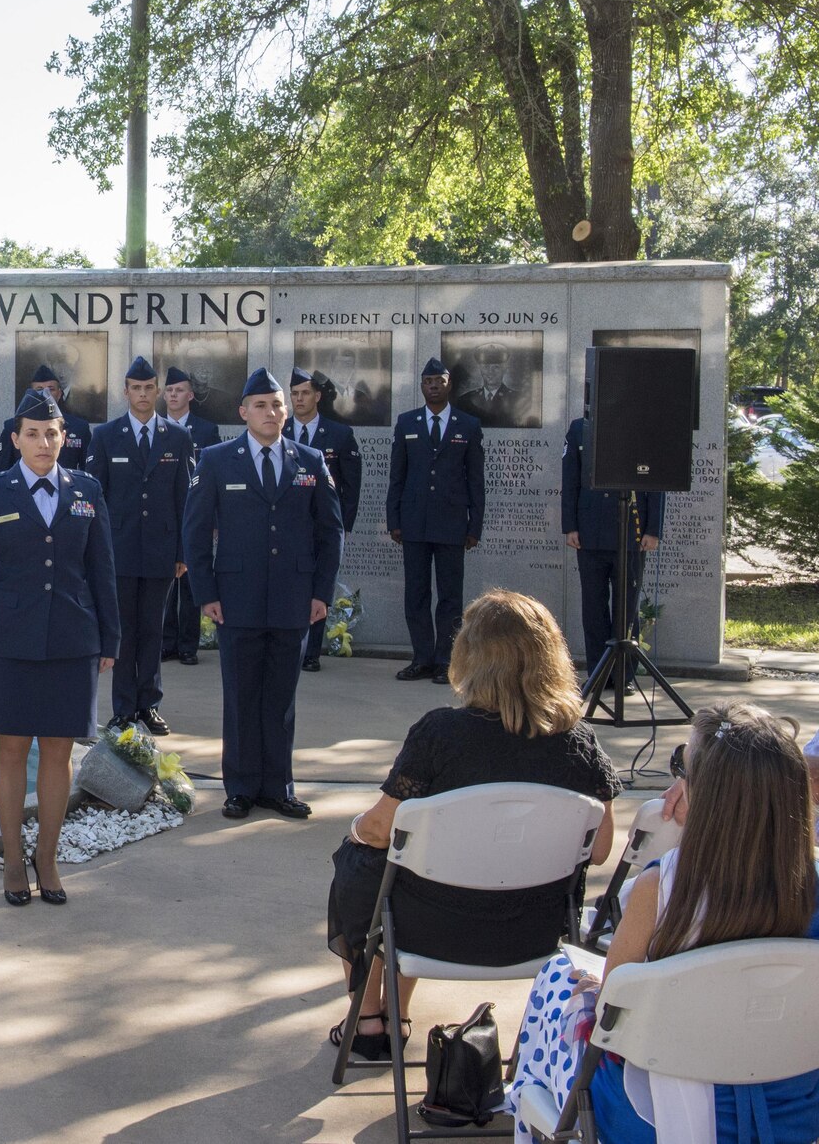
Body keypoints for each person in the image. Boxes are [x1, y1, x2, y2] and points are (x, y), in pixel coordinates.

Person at [324, 589, 619, 1061]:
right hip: (537, 929)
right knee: (397, 867)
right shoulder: (578, 745)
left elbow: (382, 829)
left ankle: (371, 1019)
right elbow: (600, 848)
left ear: (469, 656)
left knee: (363, 859)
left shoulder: (440, 733)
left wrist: (357, 830)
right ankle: (391, 1014)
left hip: (431, 928)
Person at [508, 702, 818, 1142]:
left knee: (559, 977)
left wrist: (597, 991)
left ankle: (525, 1107)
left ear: (702, 796)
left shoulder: (662, 888)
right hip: (793, 1113)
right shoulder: (811, 887)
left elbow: (611, 1022)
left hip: (657, 1118)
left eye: (683, 769)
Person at [0, 389, 119, 908]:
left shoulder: (87, 489)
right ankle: (11, 859)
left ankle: (46, 858)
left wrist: (109, 638)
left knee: (58, 751)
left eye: (52, 434)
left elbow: (103, 571)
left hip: (72, 638)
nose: (43, 442)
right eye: (33, 434)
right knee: (10, 750)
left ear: (64, 438)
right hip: (8, 639)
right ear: (16, 439)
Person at [182, 367, 343, 820]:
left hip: (294, 599)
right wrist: (205, 592)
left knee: (281, 699)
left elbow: (330, 532)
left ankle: (278, 785)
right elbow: (194, 533)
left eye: (276, 405)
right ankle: (240, 787)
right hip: (235, 598)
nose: (270, 412)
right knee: (239, 695)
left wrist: (322, 593)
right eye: (260, 405)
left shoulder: (310, 461)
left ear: (287, 411)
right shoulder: (216, 459)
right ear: (243, 412)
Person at [89, 356, 192, 736]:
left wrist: (183, 552)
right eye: (137, 388)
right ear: (126, 391)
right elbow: (96, 499)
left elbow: (185, 497)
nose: (144, 394)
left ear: (159, 392)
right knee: (123, 631)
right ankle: (123, 708)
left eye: (150, 388)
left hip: (162, 551)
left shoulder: (177, 438)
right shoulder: (106, 436)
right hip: (119, 549)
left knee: (153, 628)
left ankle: (149, 704)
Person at [386, 357, 485, 684]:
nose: (433, 386)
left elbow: (476, 481)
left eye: (439, 381)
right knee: (416, 594)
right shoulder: (407, 422)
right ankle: (422, 658)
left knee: (450, 597)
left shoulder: (468, 425)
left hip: (452, 523)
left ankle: (446, 661)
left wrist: (474, 526)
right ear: (422, 386)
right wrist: (394, 519)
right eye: (428, 381)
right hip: (413, 523)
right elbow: (396, 476)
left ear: (448, 385)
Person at [561, 414, 663, 678]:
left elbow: (654, 482)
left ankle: (624, 674)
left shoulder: (641, 426)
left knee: (626, 607)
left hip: (630, 532)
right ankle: (598, 672)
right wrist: (570, 525)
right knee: (593, 607)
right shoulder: (579, 428)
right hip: (590, 532)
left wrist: (652, 529)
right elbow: (570, 480)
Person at [287, 366, 361, 672]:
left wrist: (341, 527)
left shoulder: (340, 434)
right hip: (287, 527)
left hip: (322, 527)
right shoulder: (279, 432)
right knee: (288, 584)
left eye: (305, 393)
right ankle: (290, 644)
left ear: (317, 396)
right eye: (294, 394)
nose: (299, 399)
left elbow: (351, 486)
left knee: (319, 586)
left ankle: (312, 652)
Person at [160, 367, 220, 667]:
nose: (173, 395)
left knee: (192, 580)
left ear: (190, 395)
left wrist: (213, 521)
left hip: (196, 514)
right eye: (169, 391)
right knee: (167, 582)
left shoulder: (207, 430)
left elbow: (214, 478)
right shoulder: (156, 427)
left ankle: (188, 646)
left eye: (179, 390)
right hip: (164, 516)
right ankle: (167, 643)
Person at [0, 363, 92, 471]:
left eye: (51, 389)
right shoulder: (11, 426)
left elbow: (88, 469)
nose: (45, 393)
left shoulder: (79, 427)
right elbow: (2, 469)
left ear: (59, 394)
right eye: (39, 389)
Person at [455, 341, 522, 428]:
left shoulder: (517, 399)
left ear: (504, 369)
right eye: (486, 367)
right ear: (480, 369)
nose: (490, 372)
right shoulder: (465, 401)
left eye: (496, 367)